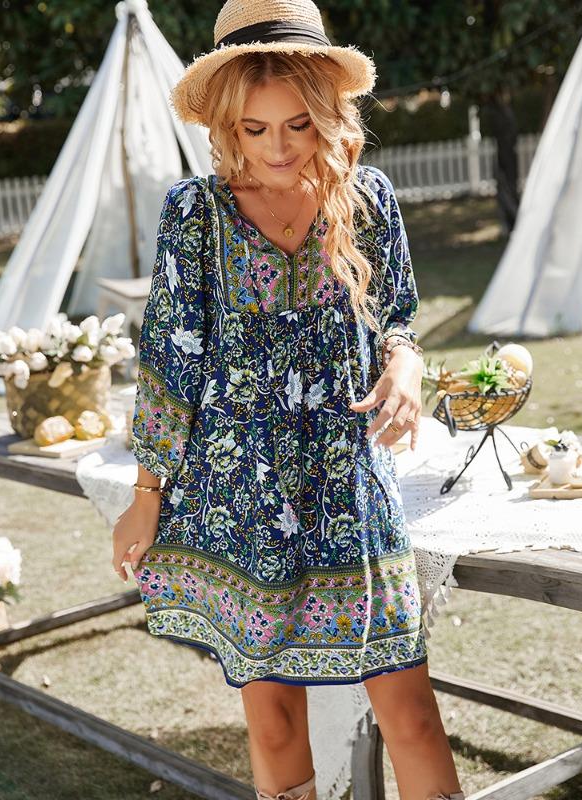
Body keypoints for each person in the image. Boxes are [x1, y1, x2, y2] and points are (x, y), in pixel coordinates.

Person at [111, 2, 464, 799]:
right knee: (273, 724)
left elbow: (398, 314)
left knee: (411, 714)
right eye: (256, 128)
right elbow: (169, 361)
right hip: (236, 495)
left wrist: (406, 363)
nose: (278, 147)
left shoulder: (366, 198)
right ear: (227, 124)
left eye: (298, 125)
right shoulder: (194, 214)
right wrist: (145, 496)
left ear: (327, 115)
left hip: (350, 488)